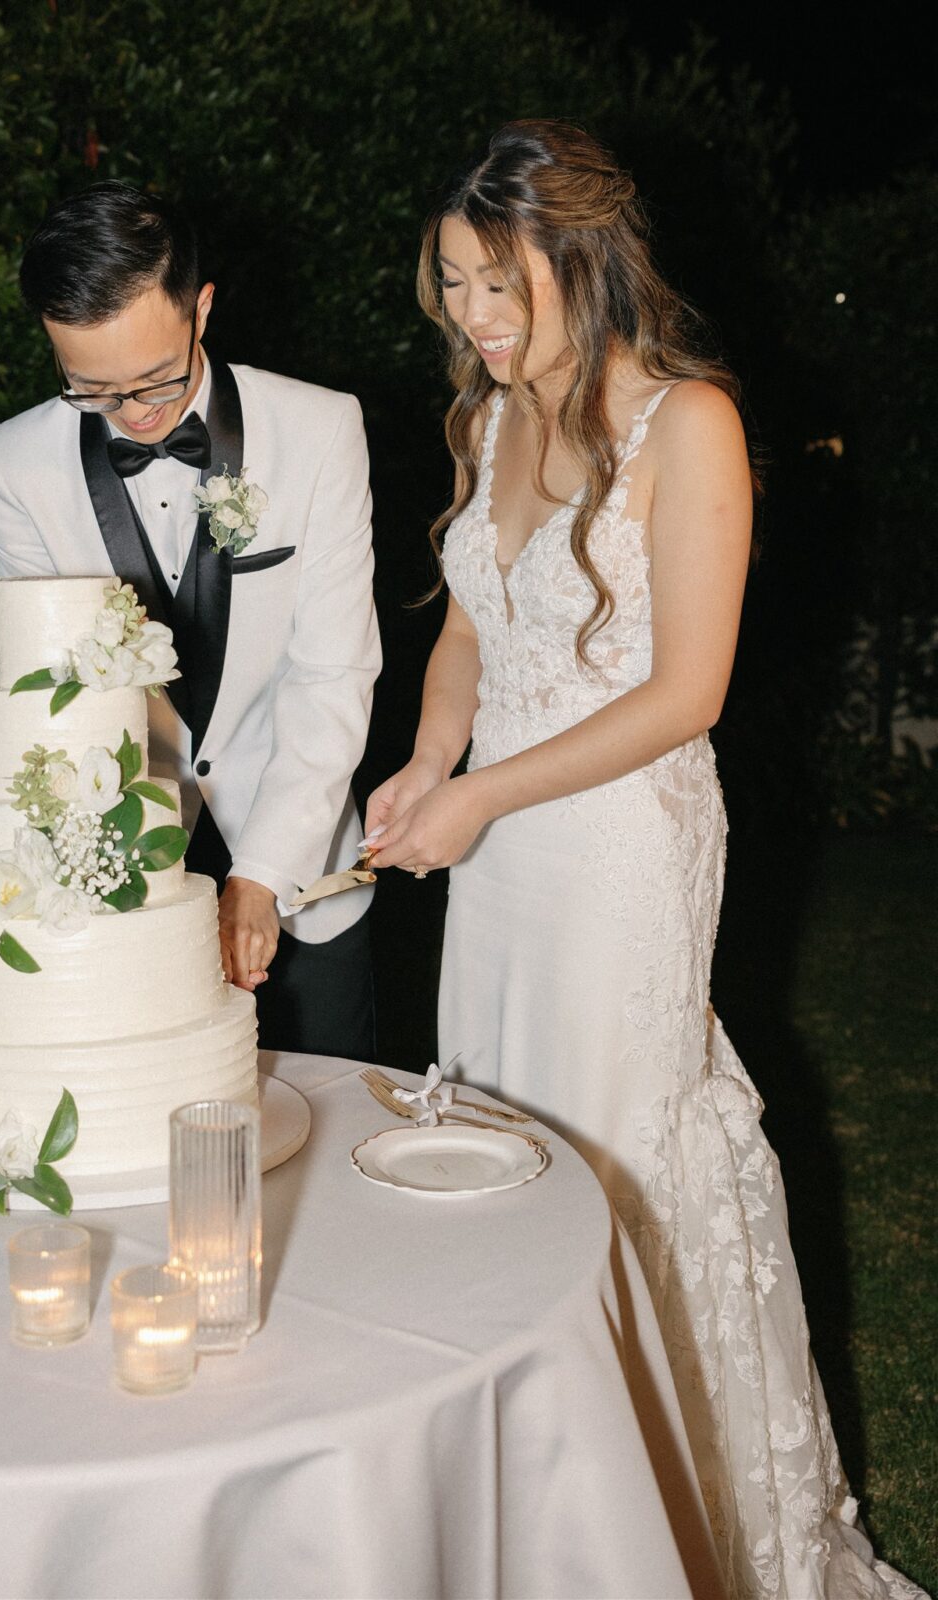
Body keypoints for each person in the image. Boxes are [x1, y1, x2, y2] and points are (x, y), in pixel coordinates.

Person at [365, 121, 924, 1600]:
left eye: (500, 287)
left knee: (613, 1157)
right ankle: (533, 1509)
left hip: (618, 853)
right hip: (502, 859)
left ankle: (669, 1529)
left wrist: (485, 798)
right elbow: (470, 629)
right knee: (501, 1145)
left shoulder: (693, 426)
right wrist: (432, 763)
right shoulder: (488, 424)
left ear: (583, 260)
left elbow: (688, 694)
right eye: (454, 290)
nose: (476, 324)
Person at [0, 182, 379, 1059]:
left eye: (155, 377)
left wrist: (261, 876)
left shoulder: (319, 430)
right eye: (92, 389)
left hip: (303, 873)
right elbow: (54, 697)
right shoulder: (16, 465)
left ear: (201, 307)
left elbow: (332, 676)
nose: (135, 412)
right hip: (127, 884)